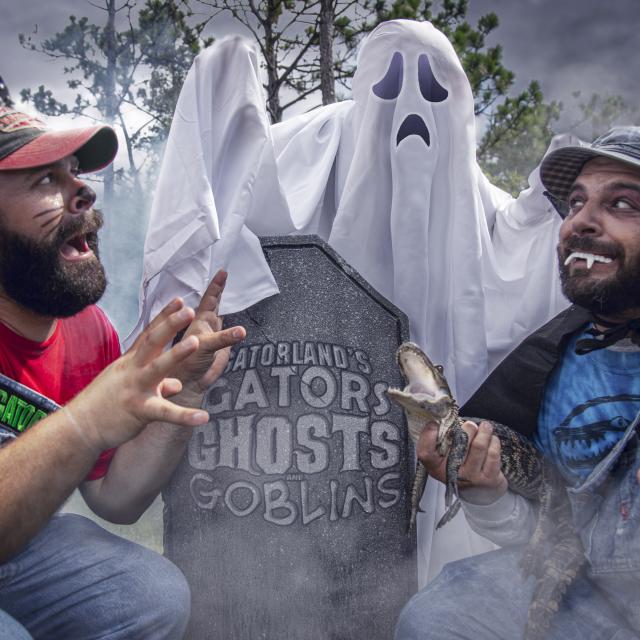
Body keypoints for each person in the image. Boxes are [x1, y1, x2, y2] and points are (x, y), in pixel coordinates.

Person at [0, 106, 245, 639]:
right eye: (46, 179)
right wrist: (87, 420)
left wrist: (192, 389)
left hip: (17, 547)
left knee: (148, 596)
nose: (83, 193)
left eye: (75, 174)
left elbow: (117, 499)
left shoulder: (91, 334)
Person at [394, 126, 640, 640]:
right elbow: (547, 535)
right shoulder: (547, 368)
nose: (582, 222)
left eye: (622, 204)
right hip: (587, 595)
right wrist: (486, 493)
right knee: (438, 615)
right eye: (574, 203)